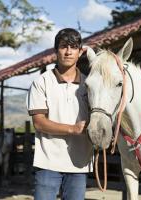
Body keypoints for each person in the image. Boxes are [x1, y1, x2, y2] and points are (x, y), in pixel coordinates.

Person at [26, 28, 93, 200]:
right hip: (48, 162)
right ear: (56, 51)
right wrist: (72, 129)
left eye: (73, 47)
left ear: (80, 52)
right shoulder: (41, 82)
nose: (68, 51)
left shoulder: (90, 84)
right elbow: (39, 122)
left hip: (79, 163)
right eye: (63, 46)